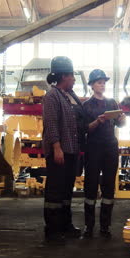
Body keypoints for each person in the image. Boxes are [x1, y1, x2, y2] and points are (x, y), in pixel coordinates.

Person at [42, 56, 88, 243]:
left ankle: (65, 225)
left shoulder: (71, 95)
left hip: (72, 149)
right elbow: (51, 124)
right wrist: (56, 147)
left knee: (67, 190)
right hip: (59, 150)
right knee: (55, 191)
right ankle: (52, 229)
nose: (74, 79)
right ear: (63, 76)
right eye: (72, 76)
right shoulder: (52, 96)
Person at [82, 69, 126, 238]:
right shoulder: (86, 106)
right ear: (92, 85)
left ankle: (105, 226)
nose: (102, 85)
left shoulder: (112, 103)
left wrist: (122, 120)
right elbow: (84, 129)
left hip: (110, 148)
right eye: (99, 82)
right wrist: (97, 121)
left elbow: (120, 125)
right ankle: (89, 226)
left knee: (108, 186)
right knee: (91, 186)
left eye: (104, 82)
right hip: (93, 148)